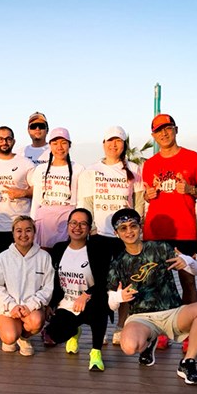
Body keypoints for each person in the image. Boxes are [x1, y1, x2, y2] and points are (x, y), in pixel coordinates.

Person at [106, 208, 197, 385]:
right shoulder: (117, 263)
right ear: (116, 233)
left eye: (133, 226)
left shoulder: (160, 248)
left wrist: (188, 261)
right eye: (123, 228)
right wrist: (119, 297)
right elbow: (110, 303)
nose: (129, 231)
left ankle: (188, 362)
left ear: (140, 227)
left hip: (172, 312)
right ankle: (148, 343)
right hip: (141, 317)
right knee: (129, 346)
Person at [143, 114, 197, 353]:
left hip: (184, 229)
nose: (164, 134)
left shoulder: (193, 158)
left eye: (168, 128)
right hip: (155, 230)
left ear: (176, 129)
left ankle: (191, 331)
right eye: (158, 131)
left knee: (187, 279)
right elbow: (146, 193)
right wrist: (146, 196)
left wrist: (189, 188)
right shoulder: (150, 164)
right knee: (156, 282)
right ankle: (160, 330)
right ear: (153, 136)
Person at [77, 125, 143, 344]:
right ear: (103, 144)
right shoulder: (91, 171)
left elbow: (140, 202)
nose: (114, 145)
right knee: (102, 283)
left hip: (126, 237)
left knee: (126, 281)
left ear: (124, 144)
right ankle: (102, 326)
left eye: (118, 141)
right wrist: (90, 228)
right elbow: (86, 203)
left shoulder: (133, 169)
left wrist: (137, 229)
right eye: (109, 141)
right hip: (100, 235)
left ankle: (122, 325)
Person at [42, 208, 112, 371]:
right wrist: (49, 304)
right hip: (67, 302)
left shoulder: (97, 250)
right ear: (68, 225)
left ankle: (96, 353)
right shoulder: (59, 249)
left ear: (89, 228)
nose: (77, 227)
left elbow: (105, 280)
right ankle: (75, 331)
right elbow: (54, 281)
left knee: (100, 309)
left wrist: (87, 294)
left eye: (83, 224)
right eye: (73, 223)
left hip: (91, 301)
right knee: (55, 334)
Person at [0, 216, 54, 356]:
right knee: (9, 338)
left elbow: (48, 287)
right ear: (13, 233)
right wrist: (12, 306)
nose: (23, 235)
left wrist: (29, 306)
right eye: (19, 231)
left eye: (28, 230)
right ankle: (13, 336)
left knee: (36, 321)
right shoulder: (3, 258)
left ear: (34, 233)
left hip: (31, 309)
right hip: (8, 309)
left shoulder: (44, 257)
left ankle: (24, 338)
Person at [0, 126, 35, 259]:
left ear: (13, 141)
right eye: (0, 139)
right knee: (0, 269)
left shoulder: (26, 163)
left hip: (20, 226)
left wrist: (23, 192)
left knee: (23, 265)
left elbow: (38, 190)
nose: (4, 142)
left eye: (8, 139)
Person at [28, 127, 85, 250]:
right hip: (44, 220)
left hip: (68, 219)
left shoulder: (78, 169)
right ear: (50, 146)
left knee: (64, 255)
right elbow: (36, 199)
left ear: (69, 145)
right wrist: (32, 222)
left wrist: (78, 224)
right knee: (43, 256)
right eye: (55, 143)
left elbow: (81, 200)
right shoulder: (41, 169)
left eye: (63, 143)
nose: (59, 147)